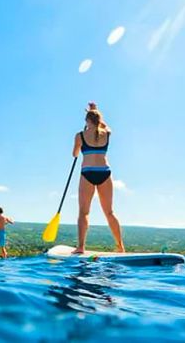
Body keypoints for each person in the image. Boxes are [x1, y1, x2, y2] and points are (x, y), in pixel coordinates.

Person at [71, 101, 125, 254]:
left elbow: (74, 154)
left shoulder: (80, 135)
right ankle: (120, 246)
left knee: (83, 212)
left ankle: (81, 247)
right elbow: (105, 126)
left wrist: (79, 147)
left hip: (87, 173)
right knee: (109, 212)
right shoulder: (106, 133)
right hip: (104, 172)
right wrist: (95, 111)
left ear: (87, 121)